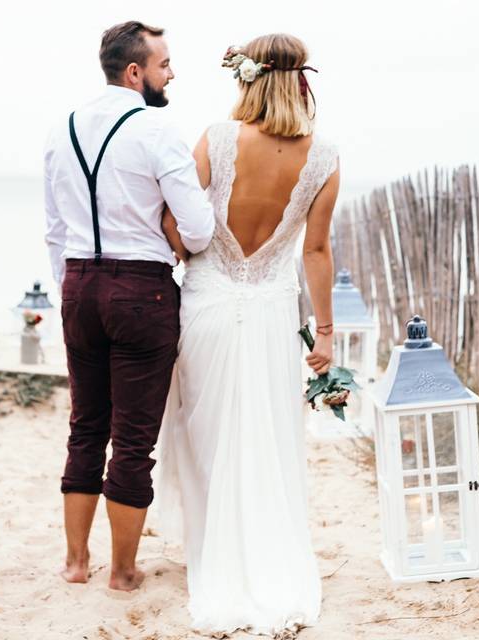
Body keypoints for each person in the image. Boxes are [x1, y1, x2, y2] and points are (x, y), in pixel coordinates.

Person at [157, 33, 340, 636]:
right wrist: (326, 336)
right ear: (300, 82)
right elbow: (315, 250)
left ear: (248, 78)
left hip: (206, 304)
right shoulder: (324, 156)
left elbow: (175, 224)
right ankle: (265, 552)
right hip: (269, 312)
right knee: (264, 433)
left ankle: (214, 552)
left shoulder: (218, 137)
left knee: (203, 429)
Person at [43, 20, 215, 591]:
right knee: (134, 437)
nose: (172, 74)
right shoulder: (157, 130)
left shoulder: (62, 128)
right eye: (165, 64)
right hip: (141, 288)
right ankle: (121, 570)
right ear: (135, 71)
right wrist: (178, 239)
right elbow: (197, 228)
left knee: (85, 426)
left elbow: (53, 229)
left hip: (78, 286)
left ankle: (74, 563)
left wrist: (74, 288)